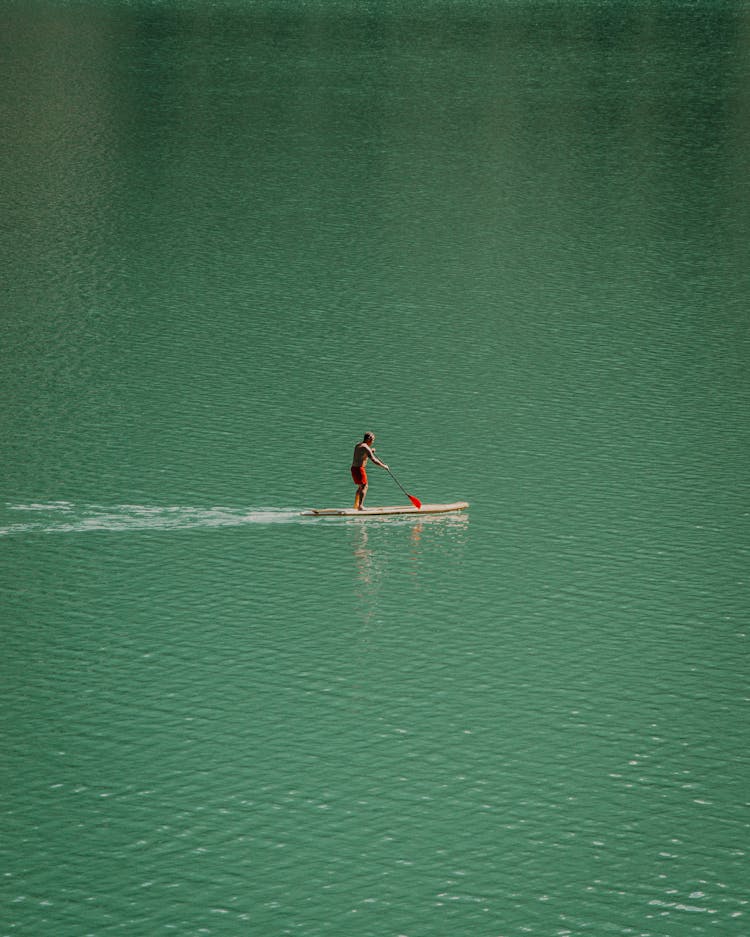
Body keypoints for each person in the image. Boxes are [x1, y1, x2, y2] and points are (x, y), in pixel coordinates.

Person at [351, 432, 389, 510]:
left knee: (360, 487)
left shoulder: (358, 445)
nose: (373, 442)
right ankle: (360, 506)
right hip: (359, 469)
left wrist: (370, 451)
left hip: (354, 468)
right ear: (369, 439)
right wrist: (384, 466)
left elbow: (362, 454)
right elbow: (374, 460)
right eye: (372, 440)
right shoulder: (366, 448)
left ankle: (356, 505)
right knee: (365, 486)